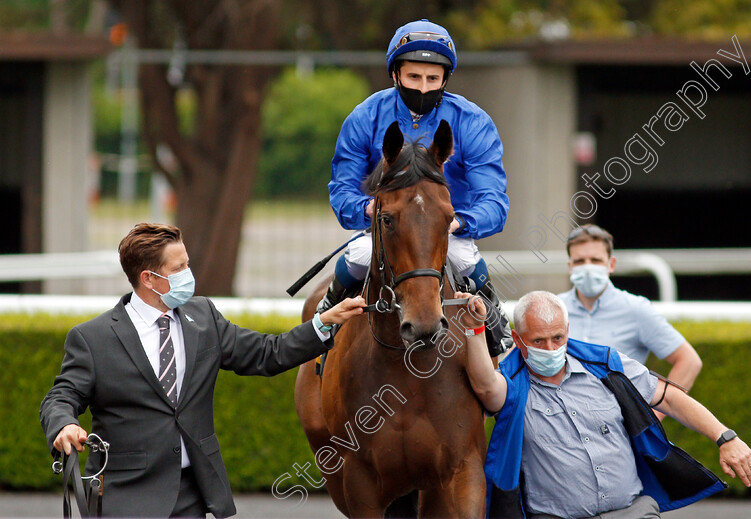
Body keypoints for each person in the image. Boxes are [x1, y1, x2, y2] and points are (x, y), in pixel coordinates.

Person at [40, 223, 366, 518]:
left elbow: (269, 353)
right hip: (125, 497)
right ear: (149, 279)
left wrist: (323, 323)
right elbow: (61, 396)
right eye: (178, 267)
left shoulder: (203, 316)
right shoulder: (92, 338)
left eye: (188, 263)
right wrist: (64, 425)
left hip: (193, 496)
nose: (188, 273)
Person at [459, 290, 751, 519]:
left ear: (568, 331)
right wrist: (474, 330)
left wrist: (724, 436)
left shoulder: (605, 364)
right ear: (518, 339)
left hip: (632, 511)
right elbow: (486, 386)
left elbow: (668, 397)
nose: (550, 348)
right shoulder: (510, 384)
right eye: (538, 341)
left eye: (557, 337)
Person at [319, 19, 512, 355]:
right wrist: (369, 210)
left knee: (464, 256)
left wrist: (458, 222)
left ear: (445, 79)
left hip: (447, 233)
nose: (423, 88)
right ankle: (324, 326)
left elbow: (494, 201)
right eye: (414, 77)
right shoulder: (364, 117)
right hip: (386, 228)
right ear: (396, 75)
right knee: (360, 254)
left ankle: (499, 335)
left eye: (432, 79)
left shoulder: (473, 121)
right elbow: (342, 189)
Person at [559, 224, 702, 418]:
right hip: (564, 428)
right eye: (580, 261)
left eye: (595, 260)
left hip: (619, 432)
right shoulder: (555, 309)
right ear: (570, 266)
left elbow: (689, 361)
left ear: (611, 264)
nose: (588, 267)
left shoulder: (636, 309)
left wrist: (651, 420)